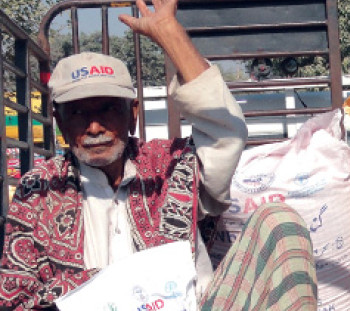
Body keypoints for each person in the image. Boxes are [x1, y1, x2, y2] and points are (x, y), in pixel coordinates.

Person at [0, 0, 317, 309]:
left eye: (109, 109)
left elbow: (226, 135)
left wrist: (169, 32)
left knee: (278, 222)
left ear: (132, 114)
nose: (95, 127)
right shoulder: (40, 188)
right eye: (79, 113)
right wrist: (103, 284)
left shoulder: (169, 165)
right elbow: (15, 298)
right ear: (60, 123)